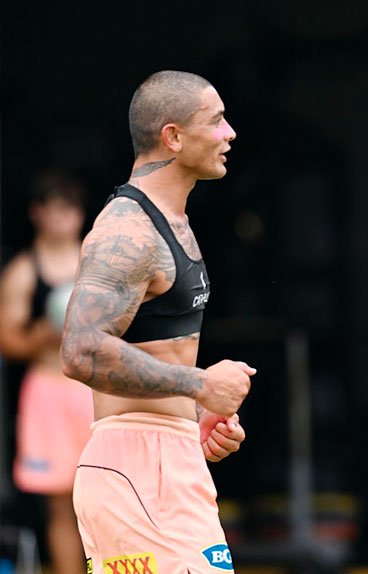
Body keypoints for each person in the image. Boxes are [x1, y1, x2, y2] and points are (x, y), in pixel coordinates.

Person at [59, 70, 254, 574]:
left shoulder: (172, 220)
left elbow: (149, 350)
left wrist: (190, 418)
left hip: (168, 460)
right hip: (136, 468)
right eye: (216, 121)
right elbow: (80, 349)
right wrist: (201, 384)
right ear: (173, 136)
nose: (230, 132)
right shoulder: (127, 229)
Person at [0, 171, 93, 574]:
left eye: (70, 210)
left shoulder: (100, 259)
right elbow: (9, 342)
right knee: (60, 503)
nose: (64, 219)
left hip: (96, 388)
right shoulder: (23, 271)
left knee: (110, 494)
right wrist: (46, 332)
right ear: (37, 213)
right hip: (50, 391)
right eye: (56, 210)